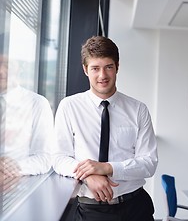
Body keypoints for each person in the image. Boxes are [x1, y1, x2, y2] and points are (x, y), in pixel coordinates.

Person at [52, 36, 158, 221]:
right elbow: (59, 158)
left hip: (135, 207)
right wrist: (88, 175)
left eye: (108, 67)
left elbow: (149, 163)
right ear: (86, 70)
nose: (102, 75)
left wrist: (107, 168)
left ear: (117, 67)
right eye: (95, 68)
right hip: (91, 211)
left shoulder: (138, 109)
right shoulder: (69, 106)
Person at [0, 54, 53, 179]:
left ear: (20, 68)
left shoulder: (37, 104)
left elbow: (44, 158)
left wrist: (14, 167)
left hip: (17, 184)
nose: (1, 71)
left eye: (7, 65)